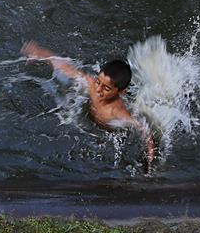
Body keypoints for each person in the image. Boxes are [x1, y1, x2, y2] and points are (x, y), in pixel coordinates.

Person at [21, 41, 155, 170]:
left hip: (107, 136)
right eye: (98, 82)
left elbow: (144, 131)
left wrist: (149, 162)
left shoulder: (117, 112)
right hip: (89, 122)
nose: (98, 90)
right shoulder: (92, 86)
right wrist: (41, 53)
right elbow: (65, 67)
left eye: (106, 89)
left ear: (121, 92)